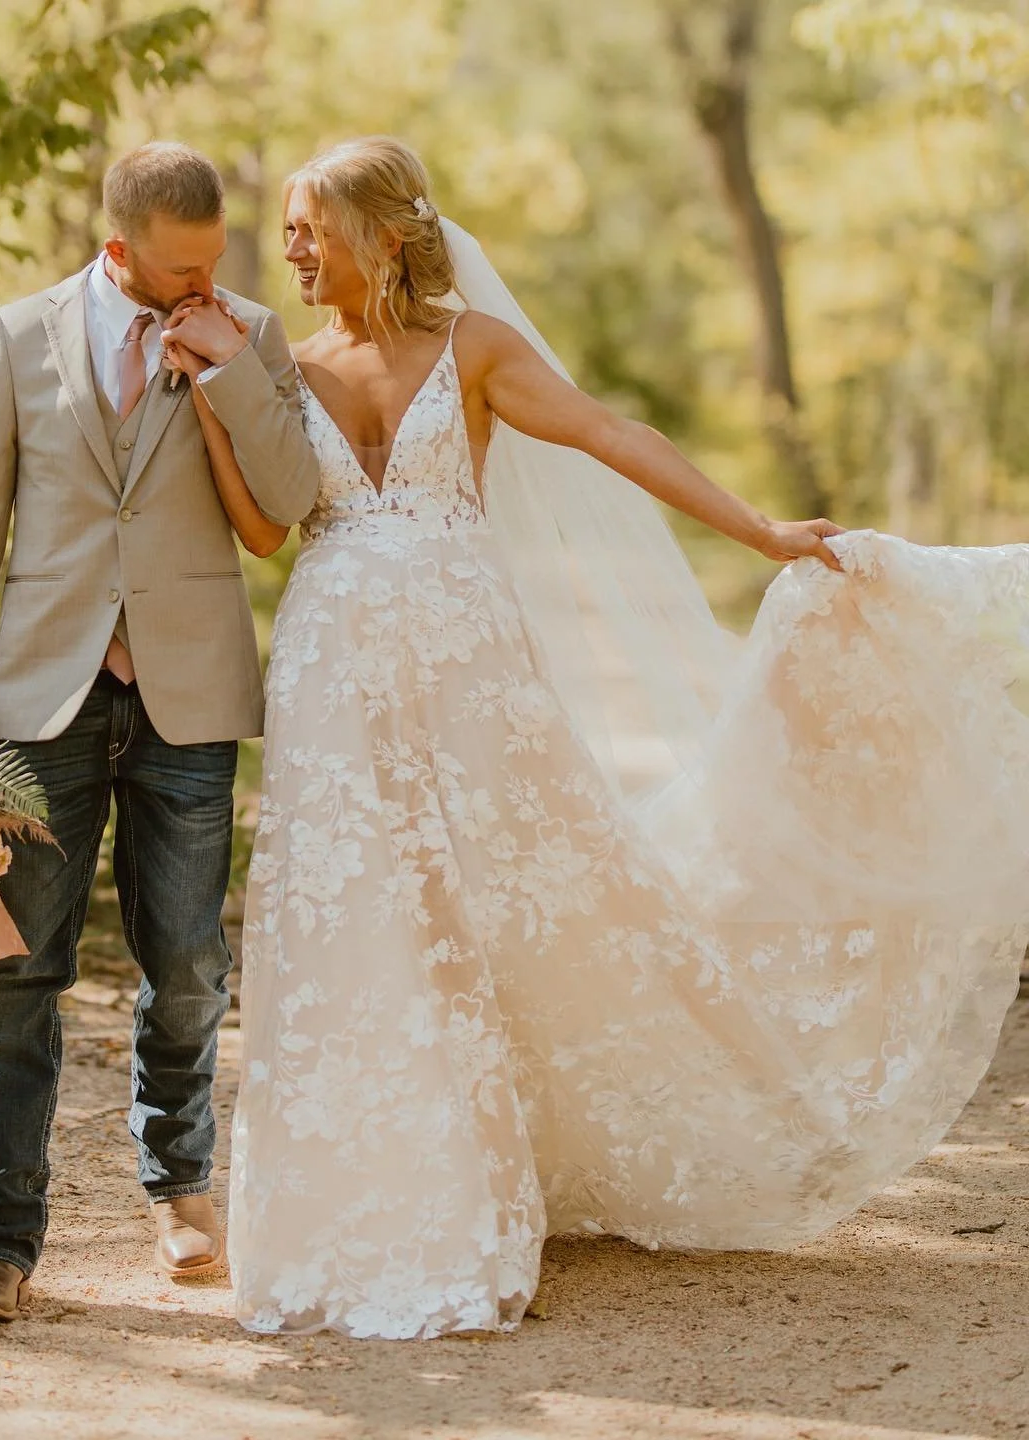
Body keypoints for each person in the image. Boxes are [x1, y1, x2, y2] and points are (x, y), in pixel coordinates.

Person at [201, 136, 1029, 1340]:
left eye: (307, 227)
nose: (288, 248)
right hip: (331, 668)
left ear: (378, 236)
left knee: (492, 900)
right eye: (286, 228)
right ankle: (367, 1188)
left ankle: (496, 1167)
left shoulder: (473, 348)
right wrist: (219, 397)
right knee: (357, 906)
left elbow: (605, 434)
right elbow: (267, 536)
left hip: (469, 664)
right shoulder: (286, 362)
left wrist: (757, 530)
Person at [0, 141, 319, 1322]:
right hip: (45, 698)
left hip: (189, 691)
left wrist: (230, 367)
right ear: (117, 247)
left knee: (187, 962)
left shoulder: (245, 330)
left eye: (217, 263)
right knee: (15, 967)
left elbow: (289, 502)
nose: (205, 285)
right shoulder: (17, 336)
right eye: (180, 270)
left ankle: (182, 1189)